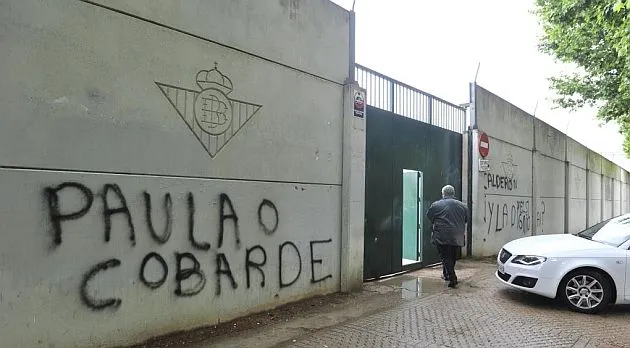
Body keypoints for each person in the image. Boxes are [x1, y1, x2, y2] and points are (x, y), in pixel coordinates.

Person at [426, 185, 468, 288]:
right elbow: (466, 219)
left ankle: (452, 277)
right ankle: (446, 275)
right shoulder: (463, 206)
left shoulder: (436, 205)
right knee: (452, 256)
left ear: (443, 193)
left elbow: (429, 216)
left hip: (442, 235)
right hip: (457, 235)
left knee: (445, 257)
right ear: (453, 193)